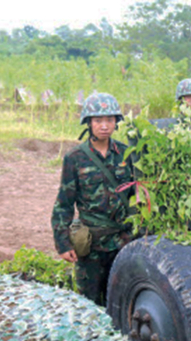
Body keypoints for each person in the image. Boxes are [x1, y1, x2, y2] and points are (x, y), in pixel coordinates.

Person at [51, 93, 135, 306]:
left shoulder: (126, 154)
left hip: (123, 243)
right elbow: (64, 203)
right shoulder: (75, 158)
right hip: (91, 247)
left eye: (109, 120)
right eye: (98, 120)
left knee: (122, 302)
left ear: (116, 122)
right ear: (89, 123)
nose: (104, 126)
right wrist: (63, 244)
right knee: (88, 305)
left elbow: (138, 197)